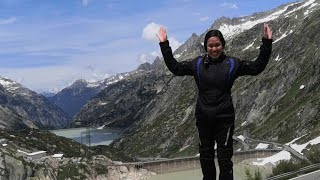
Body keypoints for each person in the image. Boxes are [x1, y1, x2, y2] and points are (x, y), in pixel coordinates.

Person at [157, 23, 272, 180]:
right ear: (206, 47)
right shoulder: (197, 64)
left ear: (223, 45)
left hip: (225, 120)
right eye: (210, 46)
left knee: (225, 160)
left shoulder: (233, 63)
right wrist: (164, 44)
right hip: (203, 119)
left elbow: (257, 67)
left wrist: (266, 42)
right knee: (206, 158)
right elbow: (175, 68)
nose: (214, 49)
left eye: (217, 45)